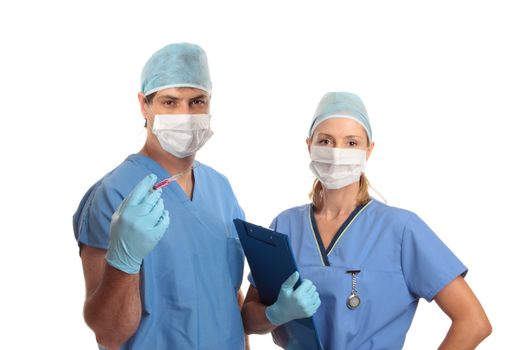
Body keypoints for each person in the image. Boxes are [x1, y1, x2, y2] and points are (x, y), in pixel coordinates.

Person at [241, 92, 492, 349]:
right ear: (309, 145)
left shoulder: (401, 229)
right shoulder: (286, 225)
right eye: (326, 140)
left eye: (351, 143)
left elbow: (473, 322)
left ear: (368, 150)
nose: (337, 152)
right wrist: (275, 314)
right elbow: (247, 319)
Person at [73, 43, 247, 350]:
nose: (185, 114)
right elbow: (109, 335)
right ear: (144, 104)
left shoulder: (221, 188)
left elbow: (230, 296)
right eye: (170, 102)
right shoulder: (112, 194)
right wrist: (123, 262)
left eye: (197, 101)